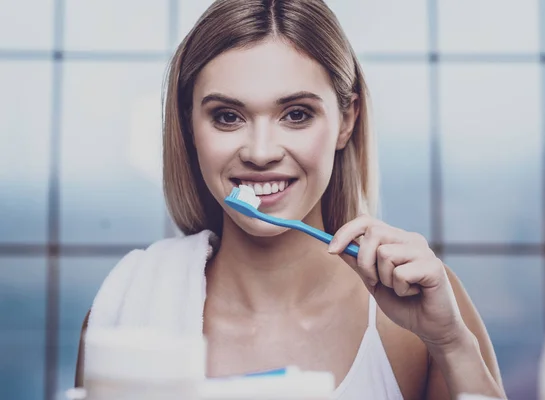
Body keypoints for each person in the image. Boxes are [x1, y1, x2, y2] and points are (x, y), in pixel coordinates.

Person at [76, 0, 506, 398]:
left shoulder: (419, 312)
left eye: (296, 115)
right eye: (227, 117)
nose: (261, 152)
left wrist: (451, 344)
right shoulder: (128, 304)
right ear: (189, 126)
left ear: (346, 119)